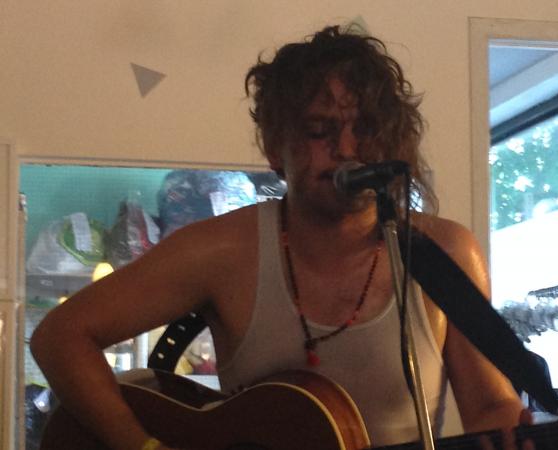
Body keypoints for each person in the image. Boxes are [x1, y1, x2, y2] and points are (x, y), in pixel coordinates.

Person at [31, 25, 529, 450]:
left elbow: (491, 406)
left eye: (365, 128)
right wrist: (142, 446)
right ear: (275, 147)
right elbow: (59, 336)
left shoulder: (444, 253)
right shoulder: (222, 251)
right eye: (320, 130)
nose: (347, 149)